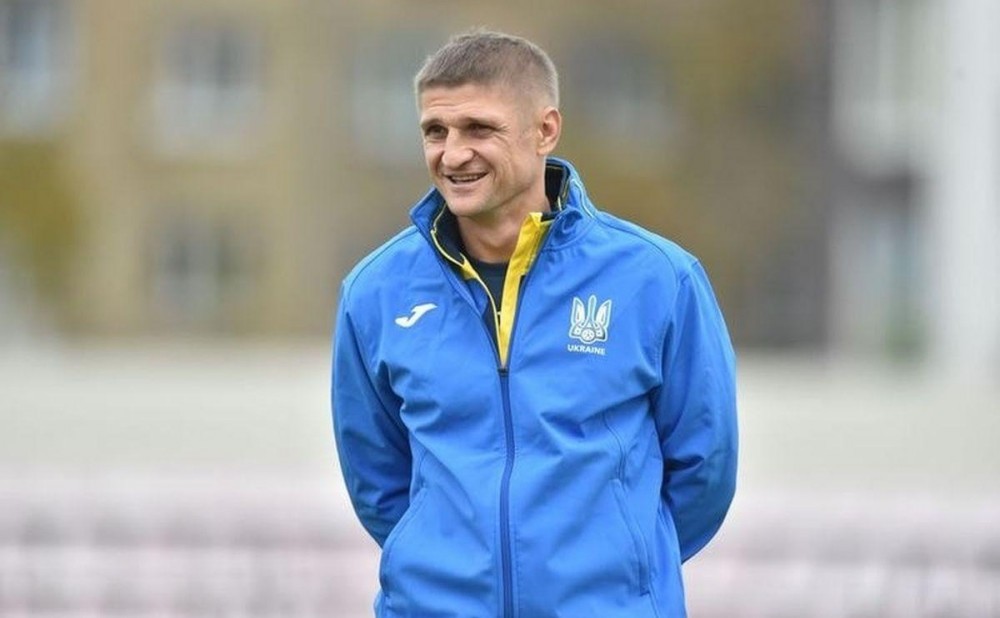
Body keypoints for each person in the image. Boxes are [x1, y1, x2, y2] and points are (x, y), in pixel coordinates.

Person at [332, 29, 738, 618]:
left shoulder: (657, 279)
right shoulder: (375, 291)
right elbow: (376, 479)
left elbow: (706, 471)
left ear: (545, 130)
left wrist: (619, 569)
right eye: (435, 131)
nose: (452, 154)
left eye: (479, 129)